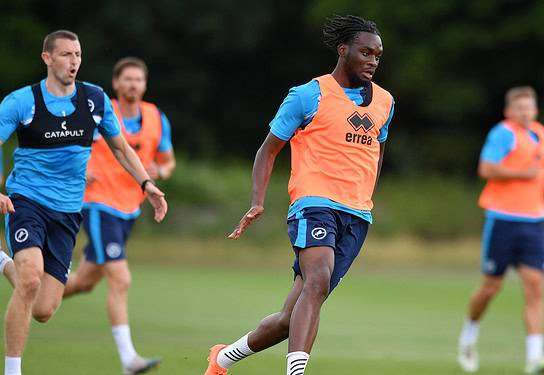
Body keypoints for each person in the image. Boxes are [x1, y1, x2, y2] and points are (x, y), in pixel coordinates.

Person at [202, 15, 394, 375]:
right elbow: (268, 150)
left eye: (378, 55)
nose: (372, 60)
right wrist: (257, 200)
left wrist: (365, 193)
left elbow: (377, 152)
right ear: (343, 50)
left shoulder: (385, 102)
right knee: (318, 280)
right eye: (365, 52)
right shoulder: (308, 95)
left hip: (356, 214)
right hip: (314, 203)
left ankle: (222, 358)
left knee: (293, 315)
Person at [0, 30, 167, 375]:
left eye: (77, 55)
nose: (73, 62)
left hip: (67, 210)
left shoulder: (94, 100)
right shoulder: (21, 102)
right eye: (65, 55)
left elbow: (121, 146)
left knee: (44, 308)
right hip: (26, 201)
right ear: (47, 58)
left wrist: (147, 183)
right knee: (30, 279)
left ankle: (2, 263)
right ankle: (13, 370)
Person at [61, 57, 175, 374]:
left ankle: (27, 290)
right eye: (127, 79)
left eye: (138, 79)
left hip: (129, 209)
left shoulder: (155, 117)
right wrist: (78, 168)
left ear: (145, 84)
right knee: (121, 279)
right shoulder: (97, 111)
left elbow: (168, 161)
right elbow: (65, 143)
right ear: (116, 83)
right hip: (98, 204)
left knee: (83, 282)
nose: (132, 84)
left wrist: (159, 171)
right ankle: (129, 360)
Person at [457, 86, 544, 374]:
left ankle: (535, 358)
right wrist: (523, 175)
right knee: (491, 287)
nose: (526, 112)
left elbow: (538, 166)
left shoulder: (541, 133)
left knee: (535, 287)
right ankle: (468, 335)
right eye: (520, 108)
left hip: (535, 221)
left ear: (536, 110)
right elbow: (486, 169)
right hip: (503, 220)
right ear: (509, 112)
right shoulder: (502, 134)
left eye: (530, 107)